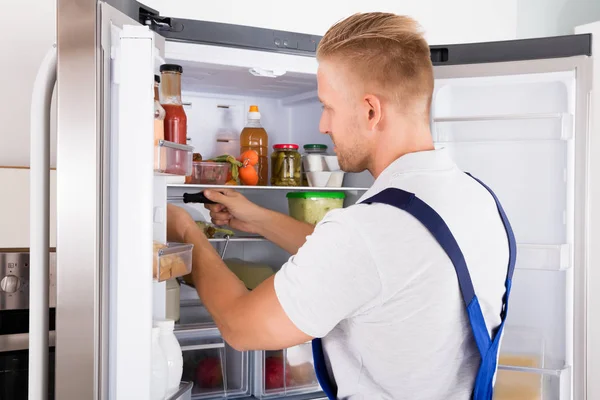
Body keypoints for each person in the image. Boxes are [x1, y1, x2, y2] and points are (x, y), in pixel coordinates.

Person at [167, 12, 515, 400]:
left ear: (371, 110)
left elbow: (241, 326)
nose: (322, 124)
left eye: (327, 106)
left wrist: (185, 231)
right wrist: (261, 219)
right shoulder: (477, 198)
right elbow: (374, 266)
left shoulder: (367, 230)